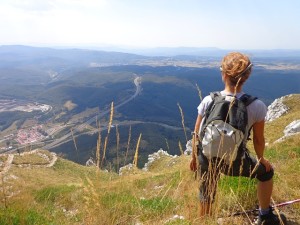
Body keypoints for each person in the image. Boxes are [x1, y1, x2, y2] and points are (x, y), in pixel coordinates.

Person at [190, 52, 281, 225]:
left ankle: (205, 221)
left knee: (207, 190)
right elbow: (258, 140)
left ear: (223, 74)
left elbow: (197, 134)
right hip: (235, 161)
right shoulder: (256, 106)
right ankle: (264, 215)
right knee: (267, 172)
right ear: (247, 77)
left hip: (207, 157)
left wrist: (194, 157)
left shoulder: (209, 100)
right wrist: (261, 159)